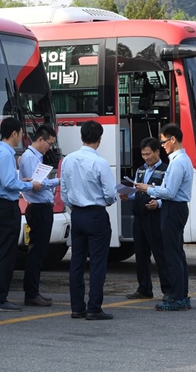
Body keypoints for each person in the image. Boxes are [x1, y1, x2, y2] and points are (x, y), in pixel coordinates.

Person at [60, 120, 117, 321]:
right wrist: (108, 201)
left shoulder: (68, 160)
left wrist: (73, 204)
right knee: (98, 263)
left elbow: (64, 191)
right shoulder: (100, 162)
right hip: (96, 214)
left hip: (77, 214)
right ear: (99, 140)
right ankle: (94, 307)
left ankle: (77, 307)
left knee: (76, 261)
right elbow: (110, 193)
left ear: (81, 137)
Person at [0, 117, 42, 312]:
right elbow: (9, 183)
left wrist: (20, 180)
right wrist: (29, 185)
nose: (21, 137)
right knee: (7, 254)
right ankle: (0, 299)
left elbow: (3, 180)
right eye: (20, 133)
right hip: (6, 207)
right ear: (14, 133)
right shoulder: (7, 154)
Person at [134, 124, 193, 311]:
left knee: (172, 255)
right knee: (177, 254)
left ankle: (176, 297)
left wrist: (147, 188)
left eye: (164, 141)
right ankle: (181, 295)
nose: (163, 145)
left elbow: (169, 192)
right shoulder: (183, 159)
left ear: (173, 139)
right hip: (177, 208)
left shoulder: (177, 162)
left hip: (173, 208)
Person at [120, 137, 171, 301]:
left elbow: (170, 193)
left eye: (148, 154)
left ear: (157, 152)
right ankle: (144, 288)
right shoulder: (141, 170)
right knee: (141, 254)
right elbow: (137, 191)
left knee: (160, 254)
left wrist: (159, 203)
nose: (146, 158)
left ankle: (168, 290)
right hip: (140, 216)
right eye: (143, 155)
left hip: (155, 217)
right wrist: (128, 196)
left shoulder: (166, 170)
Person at [18, 124, 59, 307]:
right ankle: (31, 293)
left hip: (42, 206)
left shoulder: (36, 157)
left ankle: (34, 291)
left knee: (40, 251)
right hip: (38, 207)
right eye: (48, 143)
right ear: (40, 139)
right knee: (36, 251)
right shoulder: (29, 157)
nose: (49, 147)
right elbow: (38, 183)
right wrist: (60, 180)